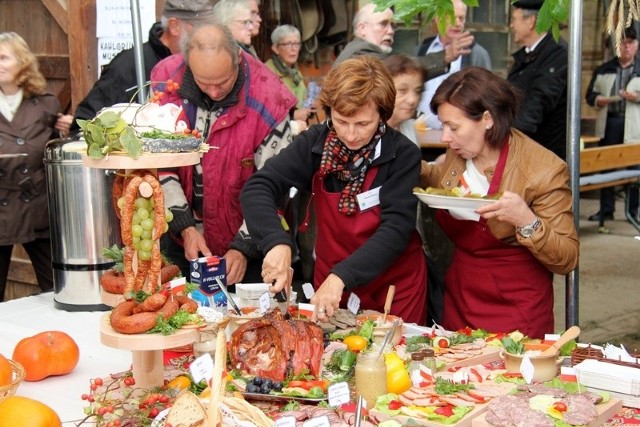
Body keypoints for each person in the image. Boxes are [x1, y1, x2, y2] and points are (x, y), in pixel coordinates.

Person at [240, 56, 428, 325]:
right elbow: (259, 186)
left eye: (363, 124)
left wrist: (342, 276)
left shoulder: (403, 155)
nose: (350, 135)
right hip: (331, 283)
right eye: (341, 121)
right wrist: (276, 242)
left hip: (393, 286)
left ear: (383, 115)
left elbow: (396, 230)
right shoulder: (314, 144)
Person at [419, 67, 579, 338]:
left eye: (453, 127)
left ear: (487, 119)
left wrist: (527, 220)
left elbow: (567, 258)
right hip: (461, 294)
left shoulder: (545, 169)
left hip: (517, 305)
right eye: (443, 125)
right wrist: (411, 166)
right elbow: (442, 179)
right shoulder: (459, 152)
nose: (445, 137)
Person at [150, 24, 297, 284]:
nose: (214, 92)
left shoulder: (270, 99)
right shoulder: (165, 84)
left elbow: (276, 185)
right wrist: (185, 228)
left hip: (249, 250)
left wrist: (244, 247)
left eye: (222, 82)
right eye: (204, 84)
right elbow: (159, 164)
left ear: (238, 58)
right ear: (189, 66)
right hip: (180, 241)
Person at [70, 0, 216, 132]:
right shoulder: (130, 65)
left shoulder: (203, 64)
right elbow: (86, 121)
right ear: (174, 26)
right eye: (200, 28)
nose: (207, 36)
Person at [0, 32, 71, 301]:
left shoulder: (46, 103)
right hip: (2, 208)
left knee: (56, 288)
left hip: (37, 208)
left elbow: (57, 153)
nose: (0, 64)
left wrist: (68, 130)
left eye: (4, 57)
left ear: (22, 62)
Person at [333, 3, 474, 82]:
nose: (390, 31)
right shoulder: (362, 50)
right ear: (362, 28)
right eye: (383, 24)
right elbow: (398, 72)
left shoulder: (361, 48)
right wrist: (445, 56)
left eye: (392, 25)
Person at [585, 26, 640, 222]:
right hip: (610, 122)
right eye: (623, 43)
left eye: (631, 43)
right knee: (606, 165)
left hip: (634, 125)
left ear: (636, 45)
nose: (627, 48)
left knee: (635, 168)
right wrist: (598, 99)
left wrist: (636, 97)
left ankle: (633, 211)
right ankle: (606, 210)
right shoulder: (604, 69)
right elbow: (589, 96)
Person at [415, 0, 492, 128]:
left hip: (458, 134)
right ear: (437, 18)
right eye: (451, 17)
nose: (457, 23)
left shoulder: (477, 53)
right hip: (421, 132)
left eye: (461, 18)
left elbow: (486, 97)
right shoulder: (422, 49)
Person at [507, 0, 568, 160]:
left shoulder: (556, 54)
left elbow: (539, 100)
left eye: (514, 19)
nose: (511, 25)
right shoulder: (527, 55)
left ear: (531, 21)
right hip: (522, 146)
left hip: (542, 154)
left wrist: (508, 138)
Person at [265, 25, 314, 134]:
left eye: (296, 43)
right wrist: (294, 115)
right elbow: (265, 111)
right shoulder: (267, 73)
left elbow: (301, 100)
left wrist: (309, 107)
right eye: (288, 44)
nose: (293, 48)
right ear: (276, 48)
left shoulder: (295, 72)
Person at [383, 54, 427, 145]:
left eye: (417, 91)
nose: (412, 100)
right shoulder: (370, 134)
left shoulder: (409, 126)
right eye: (402, 90)